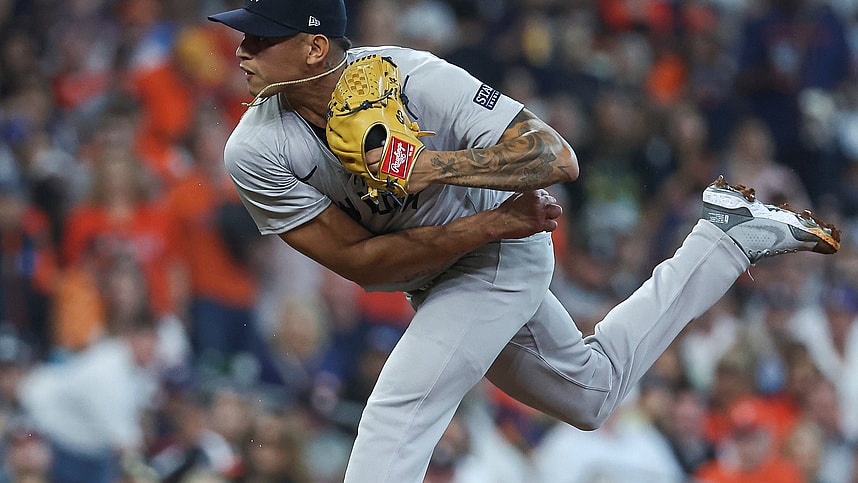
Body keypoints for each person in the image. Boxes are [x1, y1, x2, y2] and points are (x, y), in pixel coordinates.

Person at [206, 1, 840, 481]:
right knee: (591, 393)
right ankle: (723, 242)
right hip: (459, 252)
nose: (241, 48)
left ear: (315, 48)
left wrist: (435, 168)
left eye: (261, 37)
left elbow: (556, 155)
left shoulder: (416, 78)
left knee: (397, 411)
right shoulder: (256, 147)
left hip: (499, 257)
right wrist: (485, 222)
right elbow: (359, 264)